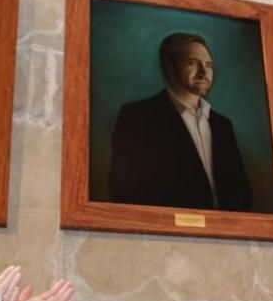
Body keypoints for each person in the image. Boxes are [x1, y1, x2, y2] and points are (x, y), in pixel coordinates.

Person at [107, 32, 252, 211]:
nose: (203, 73)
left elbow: (241, 194)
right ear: (169, 67)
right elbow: (124, 191)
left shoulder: (223, 125)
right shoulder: (138, 117)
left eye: (208, 65)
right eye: (192, 63)